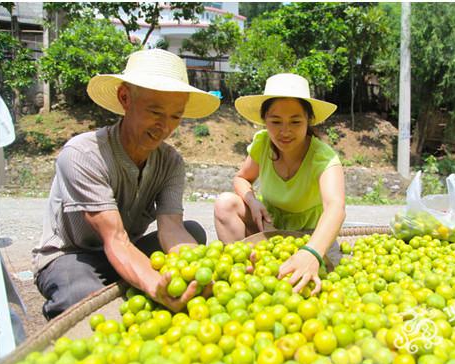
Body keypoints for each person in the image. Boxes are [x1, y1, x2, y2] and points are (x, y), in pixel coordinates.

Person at [32, 49, 220, 319]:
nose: (165, 127)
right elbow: (115, 238)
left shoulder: (170, 162)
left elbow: (172, 228)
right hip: (73, 256)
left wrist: (200, 272)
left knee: (193, 232)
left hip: (127, 249)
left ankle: (127, 282)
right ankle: (116, 287)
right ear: (125, 99)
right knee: (82, 297)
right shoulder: (83, 154)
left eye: (176, 117)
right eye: (155, 112)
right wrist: (156, 286)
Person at [214, 73, 346, 295]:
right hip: (270, 229)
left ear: (308, 121)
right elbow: (241, 178)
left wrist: (312, 252)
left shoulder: (323, 158)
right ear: (264, 121)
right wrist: (252, 201)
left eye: (295, 121)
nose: (285, 131)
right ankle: (245, 270)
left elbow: (336, 207)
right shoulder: (263, 144)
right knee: (225, 203)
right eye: (275, 122)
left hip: (311, 236)